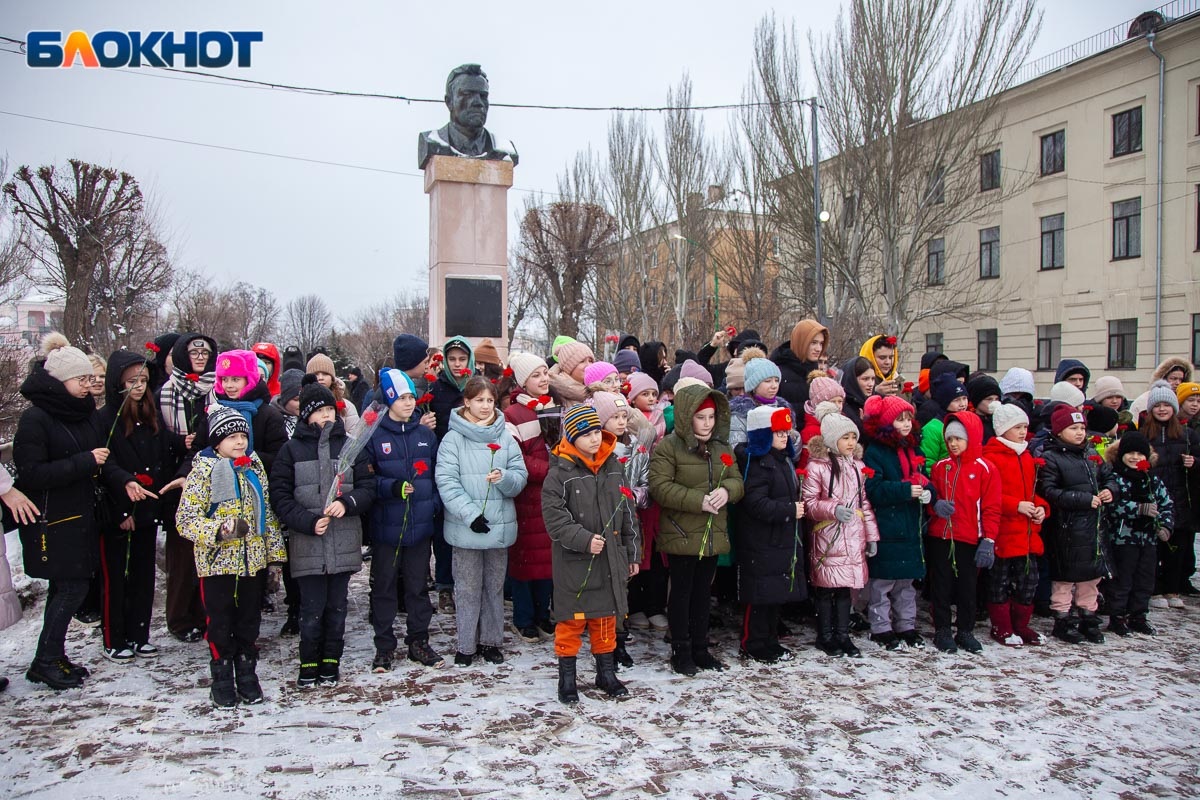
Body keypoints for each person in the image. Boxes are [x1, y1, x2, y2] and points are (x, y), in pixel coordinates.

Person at [177, 406, 287, 707]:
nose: (239, 442)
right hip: (217, 564)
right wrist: (220, 530)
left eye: (243, 436)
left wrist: (274, 554)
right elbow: (186, 519)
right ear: (216, 441)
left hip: (252, 560)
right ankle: (222, 674)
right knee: (220, 620)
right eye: (231, 437)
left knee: (249, 619)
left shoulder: (253, 466)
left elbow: (267, 512)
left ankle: (247, 670)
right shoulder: (203, 470)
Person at [14, 333, 105, 690]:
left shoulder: (78, 413)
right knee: (70, 589)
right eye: (82, 379)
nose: (89, 385)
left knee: (68, 588)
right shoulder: (36, 419)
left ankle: (53, 655)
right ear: (60, 380)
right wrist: (84, 462)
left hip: (79, 515)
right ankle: (45, 660)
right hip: (52, 520)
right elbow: (32, 472)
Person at [271, 383, 375, 687]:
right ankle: (309, 661)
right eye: (319, 411)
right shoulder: (291, 450)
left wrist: (347, 503)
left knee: (337, 606)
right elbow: (279, 495)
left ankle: (331, 660)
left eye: (330, 410)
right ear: (306, 416)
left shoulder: (351, 446)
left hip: (342, 541)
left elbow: (368, 487)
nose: (326, 416)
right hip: (308, 544)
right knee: (311, 608)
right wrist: (306, 521)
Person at [542, 404, 640, 703]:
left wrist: (632, 553)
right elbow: (555, 520)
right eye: (586, 434)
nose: (595, 439)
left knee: (605, 620)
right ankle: (567, 679)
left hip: (611, 559)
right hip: (576, 562)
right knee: (571, 622)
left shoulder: (614, 466)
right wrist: (584, 540)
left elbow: (628, 513)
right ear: (572, 438)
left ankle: (606, 673)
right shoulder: (559, 474)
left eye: (597, 431)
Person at [649, 385, 745, 675]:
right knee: (682, 592)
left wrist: (727, 492)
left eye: (711, 417)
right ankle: (681, 649)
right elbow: (660, 487)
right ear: (687, 417)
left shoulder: (721, 447)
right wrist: (698, 500)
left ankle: (701, 647)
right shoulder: (669, 447)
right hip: (681, 531)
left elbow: (737, 480)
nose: (707, 423)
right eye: (701, 417)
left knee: (704, 593)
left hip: (712, 532)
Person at [96, 349, 182, 662]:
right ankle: (113, 636)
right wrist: (121, 504)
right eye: (133, 380)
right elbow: (105, 466)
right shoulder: (105, 419)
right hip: (118, 511)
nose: (139, 386)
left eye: (143, 380)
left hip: (146, 509)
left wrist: (186, 445)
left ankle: (139, 633)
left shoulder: (150, 416)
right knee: (116, 576)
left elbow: (164, 449)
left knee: (143, 575)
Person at [435, 376, 527, 666]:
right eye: (479, 400)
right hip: (466, 526)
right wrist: (470, 514)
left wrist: (505, 479)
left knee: (494, 587)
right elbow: (447, 481)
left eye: (490, 400)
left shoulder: (504, 437)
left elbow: (519, 475)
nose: (485, 406)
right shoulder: (453, 439)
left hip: (498, 526)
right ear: (467, 403)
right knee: (467, 587)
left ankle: (490, 640)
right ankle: (465, 644)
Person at [364, 369, 444, 671]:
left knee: (418, 587)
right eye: (402, 398)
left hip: (420, 527)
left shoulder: (424, 435)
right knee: (384, 587)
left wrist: (432, 505)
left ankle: (419, 642)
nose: (409, 403)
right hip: (387, 527)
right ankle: (384, 646)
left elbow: (438, 476)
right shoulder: (374, 435)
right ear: (388, 399)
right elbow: (366, 479)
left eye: (411, 397)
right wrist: (391, 488)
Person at [802, 411, 881, 658]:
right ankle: (825, 636)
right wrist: (833, 509)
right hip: (828, 536)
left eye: (853, 438)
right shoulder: (817, 467)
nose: (850, 443)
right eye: (845, 437)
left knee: (846, 589)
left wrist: (871, 536)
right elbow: (809, 503)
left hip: (852, 536)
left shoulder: (857, 466)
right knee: (827, 588)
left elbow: (863, 503)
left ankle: (843, 634)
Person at [1037, 405, 1118, 645]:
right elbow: (1049, 491)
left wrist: (1109, 491)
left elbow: (1110, 477)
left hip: (1093, 530)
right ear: (1060, 431)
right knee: (1064, 579)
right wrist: (1083, 500)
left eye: (1082, 427)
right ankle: (1062, 619)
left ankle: (1088, 618)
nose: (1080, 433)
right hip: (1067, 531)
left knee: (1091, 578)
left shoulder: (1091, 454)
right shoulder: (1051, 457)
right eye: (1073, 428)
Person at [158, 332, 216, 643]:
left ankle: (204, 613)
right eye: (194, 352)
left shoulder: (215, 390)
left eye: (205, 352)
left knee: (208, 551)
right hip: (176, 479)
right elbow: (155, 434)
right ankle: (180, 618)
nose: (199, 357)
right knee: (181, 557)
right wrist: (179, 444)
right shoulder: (166, 393)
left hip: (208, 474)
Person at [926, 411, 1000, 654]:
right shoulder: (940, 467)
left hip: (969, 538)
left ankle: (965, 630)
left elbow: (991, 507)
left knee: (968, 587)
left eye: (958, 438)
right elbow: (931, 495)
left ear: (972, 437)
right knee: (942, 585)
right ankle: (943, 630)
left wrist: (988, 539)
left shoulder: (985, 469)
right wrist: (934, 505)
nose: (953, 444)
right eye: (950, 440)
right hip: (942, 536)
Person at [862, 395, 932, 651]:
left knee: (906, 583)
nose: (905, 424)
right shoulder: (877, 452)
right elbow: (873, 488)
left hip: (911, 524)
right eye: (899, 419)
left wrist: (927, 491)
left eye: (907, 419)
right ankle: (880, 626)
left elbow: (924, 477)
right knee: (882, 583)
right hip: (889, 523)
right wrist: (904, 490)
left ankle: (907, 624)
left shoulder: (915, 448)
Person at [737, 406, 806, 662]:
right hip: (762, 541)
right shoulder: (758, 464)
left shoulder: (783, 460)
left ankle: (769, 639)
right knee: (759, 596)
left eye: (785, 432)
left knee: (775, 593)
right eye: (777, 432)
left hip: (780, 539)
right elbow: (755, 503)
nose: (783, 436)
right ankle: (753, 642)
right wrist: (788, 509)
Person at [502, 353, 561, 644]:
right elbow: (515, 457)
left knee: (548, 560)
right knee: (525, 560)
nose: (544, 379)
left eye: (545, 373)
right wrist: (548, 470)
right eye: (536, 375)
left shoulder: (554, 407)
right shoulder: (513, 414)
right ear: (523, 381)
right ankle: (524, 618)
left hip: (552, 496)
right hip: (528, 496)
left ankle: (543, 614)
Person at [981, 404, 1050, 646]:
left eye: (1025, 427)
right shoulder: (991, 458)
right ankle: (1002, 625)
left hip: (1027, 533)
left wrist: (1041, 507)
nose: (1023, 432)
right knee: (999, 581)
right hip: (1003, 532)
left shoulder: (1027, 457)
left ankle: (1021, 625)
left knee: (1028, 581)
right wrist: (1015, 505)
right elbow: (987, 496)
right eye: (1018, 427)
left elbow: (1032, 493)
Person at [1105, 432, 1173, 636]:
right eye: (1130, 453)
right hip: (1122, 538)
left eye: (1139, 454)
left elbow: (1166, 503)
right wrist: (1138, 509)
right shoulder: (1115, 477)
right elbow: (1112, 505)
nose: (1135, 458)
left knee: (1145, 578)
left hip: (1148, 539)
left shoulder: (1152, 480)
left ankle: (1138, 615)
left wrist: (1165, 526)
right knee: (1122, 580)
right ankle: (1117, 616)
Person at [1139, 381, 1200, 609]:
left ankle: (1172, 589)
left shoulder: (1187, 435)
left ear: (1174, 408)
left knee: (1177, 547)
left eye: (1167, 405)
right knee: (1154, 547)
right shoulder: (1144, 433)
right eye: (1158, 405)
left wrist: (1194, 463)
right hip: (1154, 498)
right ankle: (1154, 590)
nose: (1162, 409)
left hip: (1181, 498)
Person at [728, 347, 795, 449]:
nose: (774, 385)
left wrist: (794, 438)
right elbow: (737, 449)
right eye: (768, 381)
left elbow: (794, 454)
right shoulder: (740, 414)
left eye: (776, 380)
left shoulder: (783, 409)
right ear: (753, 385)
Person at [773, 320, 829, 412]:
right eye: (813, 342)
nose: (818, 349)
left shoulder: (817, 373)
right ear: (801, 342)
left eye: (821, 343)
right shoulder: (778, 372)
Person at [920, 374, 970, 468]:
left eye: (964, 398)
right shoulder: (932, 428)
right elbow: (927, 464)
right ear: (945, 402)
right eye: (956, 400)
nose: (962, 404)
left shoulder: (969, 422)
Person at [306, 353, 360, 431]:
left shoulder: (347, 406)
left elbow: (355, 437)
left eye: (325, 374)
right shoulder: (302, 405)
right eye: (316, 374)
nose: (320, 378)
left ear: (332, 378)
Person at [839, 357, 877, 439]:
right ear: (853, 381)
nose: (871, 384)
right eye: (865, 379)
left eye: (873, 379)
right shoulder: (842, 408)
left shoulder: (877, 404)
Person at [966, 374, 1002, 444]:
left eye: (997, 399)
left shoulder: (1001, 420)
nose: (994, 402)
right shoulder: (970, 423)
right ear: (977, 400)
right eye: (989, 399)